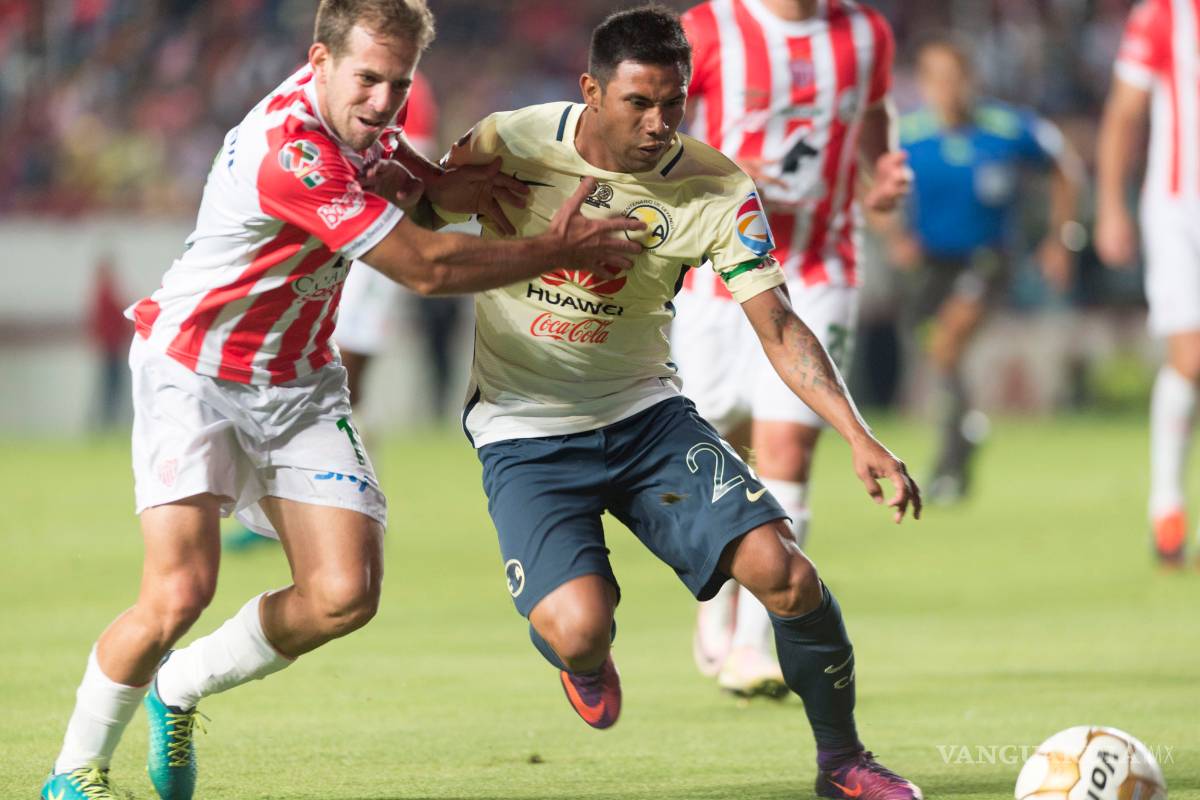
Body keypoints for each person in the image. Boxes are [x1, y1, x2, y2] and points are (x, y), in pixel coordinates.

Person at [39, 1, 642, 798]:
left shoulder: (361, 121)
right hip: (196, 373)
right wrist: (555, 248)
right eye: (368, 79)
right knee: (179, 592)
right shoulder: (293, 153)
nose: (385, 102)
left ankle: (177, 687)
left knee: (344, 595)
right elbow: (424, 266)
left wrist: (466, 183)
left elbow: (414, 184)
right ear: (317, 59)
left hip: (297, 381)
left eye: (400, 83)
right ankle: (73, 773)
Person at [448, 7, 922, 799]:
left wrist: (858, 435)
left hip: (645, 417)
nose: (659, 123)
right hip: (525, 430)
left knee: (787, 574)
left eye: (675, 102)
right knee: (580, 628)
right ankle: (584, 657)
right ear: (592, 91)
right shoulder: (511, 142)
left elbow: (777, 324)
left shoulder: (714, 184)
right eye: (639, 102)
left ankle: (844, 762)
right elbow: (409, 226)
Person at [670, 0, 910, 699]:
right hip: (719, 268)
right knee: (717, 437)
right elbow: (648, 133)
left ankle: (752, 645)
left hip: (821, 265)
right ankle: (716, 595)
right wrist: (717, 168)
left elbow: (871, 117)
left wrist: (879, 177)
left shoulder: (866, 33)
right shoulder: (708, 29)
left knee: (788, 448)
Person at [886, 34, 1082, 503]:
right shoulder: (909, 134)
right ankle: (965, 431)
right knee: (935, 351)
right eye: (935, 78)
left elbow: (1064, 168)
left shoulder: (1007, 126)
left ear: (971, 79)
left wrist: (1062, 237)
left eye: (954, 78)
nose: (946, 88)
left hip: (987, 259)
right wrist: (895, 235)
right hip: (930, 263)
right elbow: (870, 181)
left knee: (948, 341)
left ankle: (948, 464)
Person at [1095, 0, 1200, 567]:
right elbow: (1125, 113)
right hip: (1181, 209)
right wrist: (1112, 205)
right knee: (1191, 357)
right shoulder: (1164, 13)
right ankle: (1168, 507)